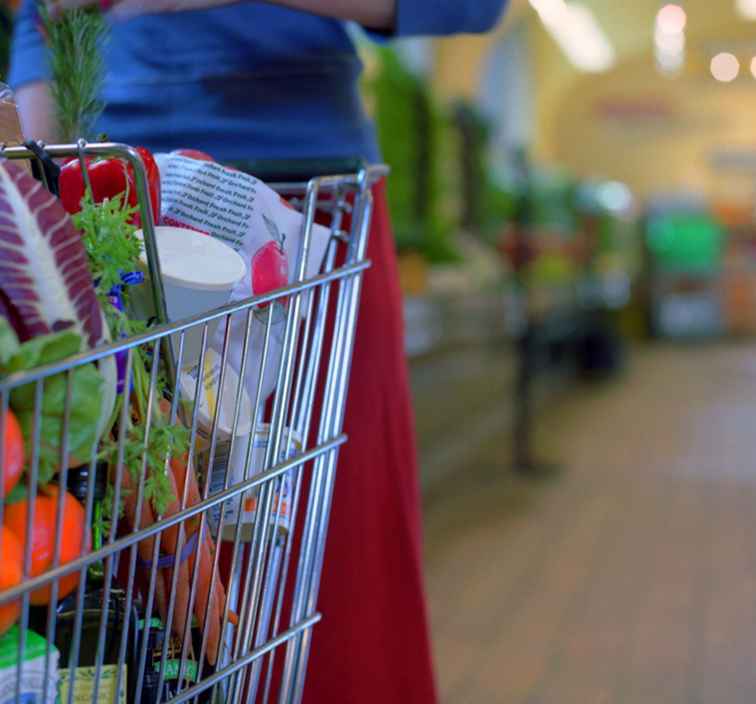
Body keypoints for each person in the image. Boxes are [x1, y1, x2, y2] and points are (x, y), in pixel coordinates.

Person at [10, 1, 508, 701]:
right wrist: (37, 176)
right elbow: (45, 23)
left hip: (310, 211)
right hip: (113, 202)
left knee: (322, 568)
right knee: (110, 596)